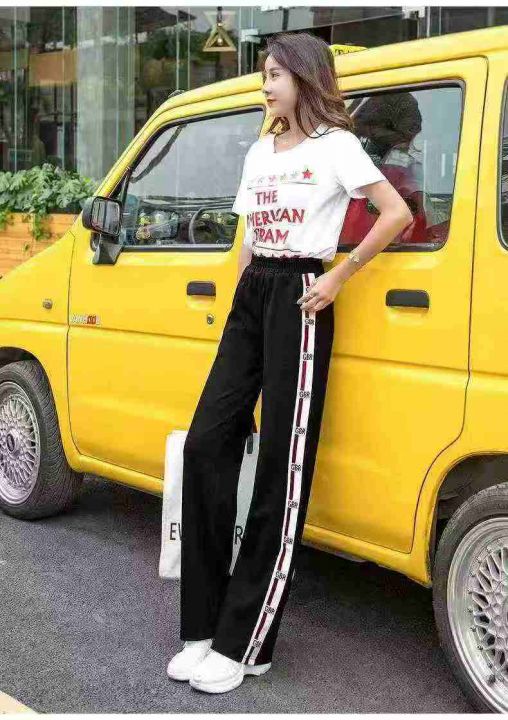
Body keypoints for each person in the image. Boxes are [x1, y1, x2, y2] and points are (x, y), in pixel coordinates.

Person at [166, 31, 413, 694]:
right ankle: (204, 625)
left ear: (305, 77)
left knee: (282, 465)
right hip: (253, 296)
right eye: (264, 75)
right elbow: (248, 239)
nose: (266, 86)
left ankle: (246, 642)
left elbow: (394, 212)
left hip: (302, 295)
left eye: (274, 74)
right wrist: (236, 311)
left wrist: (339, 276)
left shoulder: (336, 147)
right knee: (207, 442)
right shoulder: (259, 150)